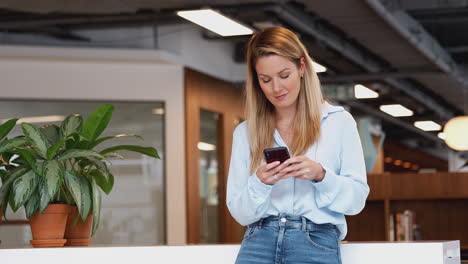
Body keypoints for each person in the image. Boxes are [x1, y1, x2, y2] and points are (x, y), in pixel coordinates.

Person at [226, 26, 370, 264]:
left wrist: (321, 175)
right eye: (265, 79)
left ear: (302, 67)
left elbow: (356, 201)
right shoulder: (244, 133)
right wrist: (260, 183)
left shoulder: (338, 122)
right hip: (258, 243)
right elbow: (240, 213)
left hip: (316, 242)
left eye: (284, 75)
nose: (276, 88)